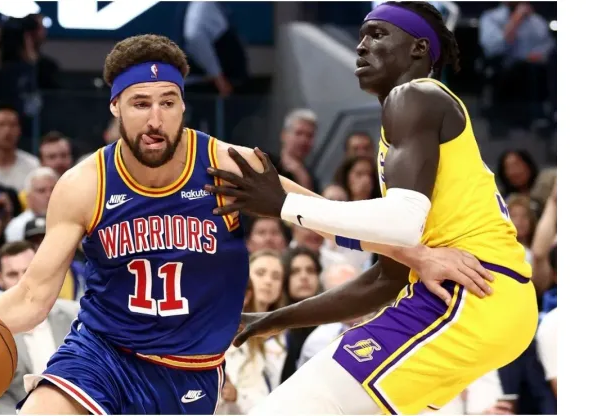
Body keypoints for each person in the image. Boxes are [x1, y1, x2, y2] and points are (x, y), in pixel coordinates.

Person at [0, 33, 492, 415]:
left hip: (189, 373)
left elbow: (323, 216)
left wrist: (419, 256)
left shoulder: (224, 164)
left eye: (168, 101)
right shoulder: (84, 184)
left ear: (184, 104)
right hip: (103, 353)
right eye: (140, 103)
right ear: (115, 107)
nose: (156, 118)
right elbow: (35, 296)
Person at [206, 2, 537, 414]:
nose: (361, 46)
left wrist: (284, 205)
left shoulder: (414, 95)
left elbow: (399, 224)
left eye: (378, 35)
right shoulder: (407, 127)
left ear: (418, 48)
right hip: (483, 300)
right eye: (361, 35)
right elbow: (386, 278)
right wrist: (271, 320)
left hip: (472, 296)